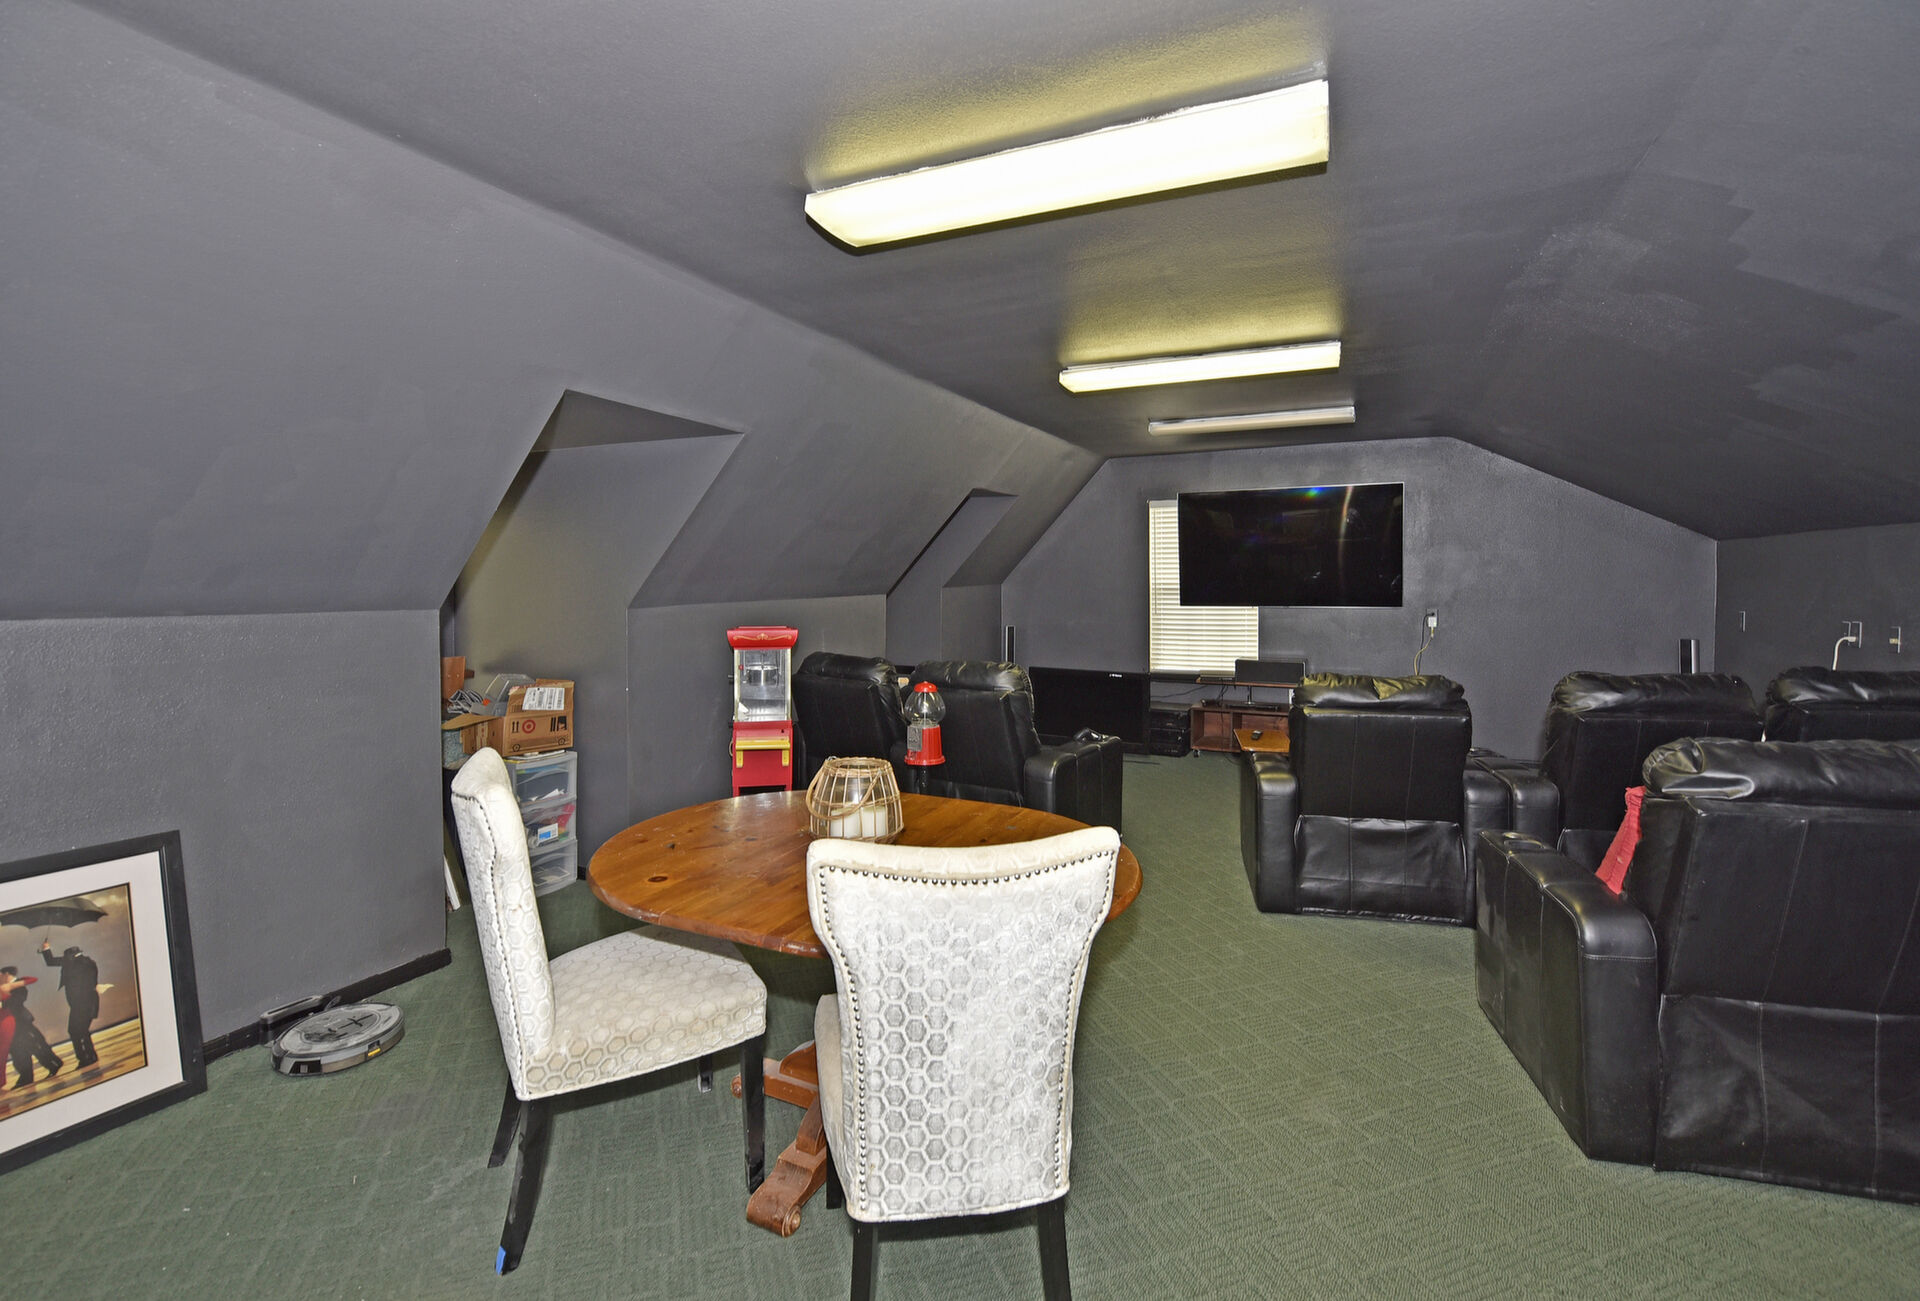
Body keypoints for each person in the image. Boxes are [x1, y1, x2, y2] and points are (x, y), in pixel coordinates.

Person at [40, 942, 100, 1068]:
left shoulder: (73, 963)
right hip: (88, 1002)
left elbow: (51, 961)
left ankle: (85, 1058)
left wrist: (46, 948)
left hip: (81, 1005)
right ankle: (89, 1056)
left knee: (75, 1031)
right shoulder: (88, 962)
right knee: (81, 1030)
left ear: (70, 956)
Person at [0, 966, 61, 1088]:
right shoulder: (7, 986)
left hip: (21, 1023)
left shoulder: (18, 985)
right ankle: (27, 1076)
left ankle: (52, 1064)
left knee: (35, 1046)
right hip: (12, 1025)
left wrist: (3, 1003)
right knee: (19, 1051)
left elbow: (18, 1000)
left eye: (0, 975)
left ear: (7, 974)